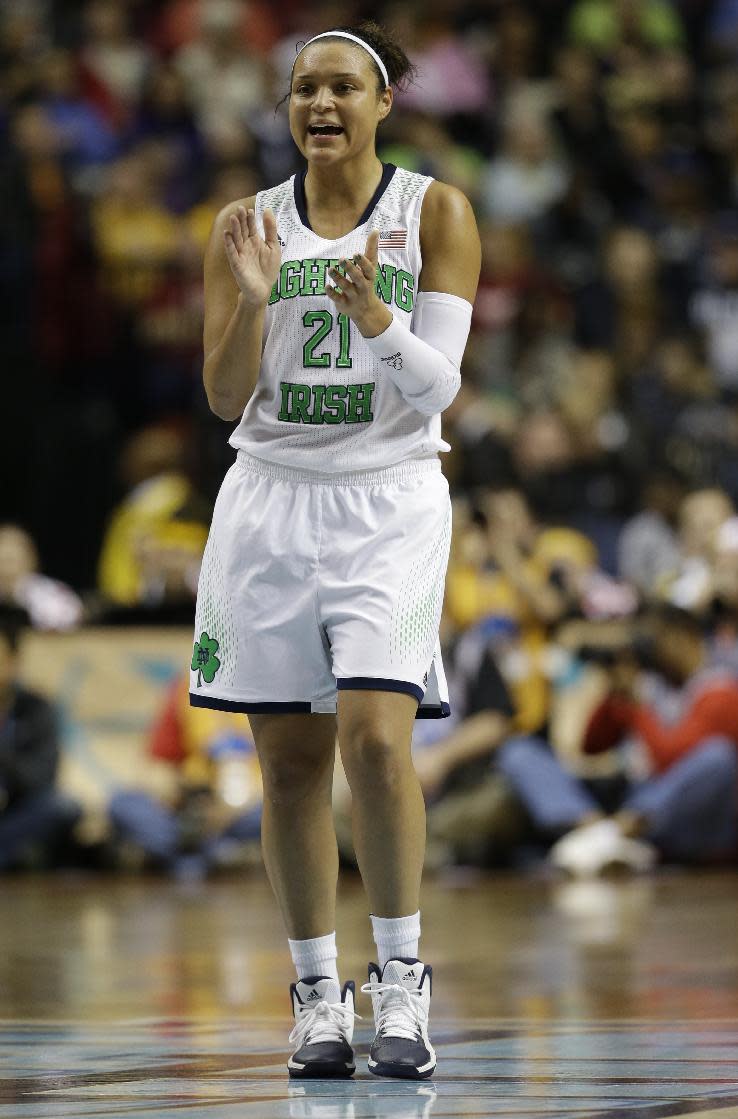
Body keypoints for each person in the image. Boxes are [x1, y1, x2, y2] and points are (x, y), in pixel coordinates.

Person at [193, 20, 480, 1080]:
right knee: (288, 764)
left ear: (383, 102)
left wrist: (374, 322)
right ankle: (316, 995)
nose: (320, 105)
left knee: (373, 737)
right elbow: (224, 395)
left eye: (342, 88)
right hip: (270, 498)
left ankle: (399, 981)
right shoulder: (243, 224)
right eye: (303, 89)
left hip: (388, 499)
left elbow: (439, 389)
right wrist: (257, 301)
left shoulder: (433, 212)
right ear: (287, 110)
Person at [0, 610, 82, 870]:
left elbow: (42, 778)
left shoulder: (37, 709)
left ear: (14, 662)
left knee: (62, 807)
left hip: (16, 811)